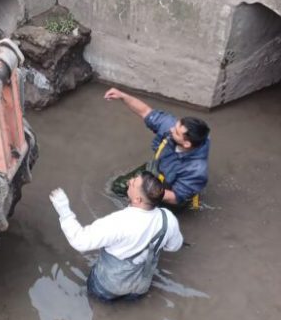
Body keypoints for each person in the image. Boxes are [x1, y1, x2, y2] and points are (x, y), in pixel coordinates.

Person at [49, 171, 183, 301]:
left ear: (138, 199)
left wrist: (64, 211)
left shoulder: (118, 222)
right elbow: (174, 246)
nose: (129, 181)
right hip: (140, 287)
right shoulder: (168, 219)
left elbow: (80, 241)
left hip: (107, 287)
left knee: (96, 303)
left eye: (133, 183)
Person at [104, 87, 210, 210]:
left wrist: (147, 192)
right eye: (175, 126)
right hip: (157, 169)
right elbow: (145, 111)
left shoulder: (196, 170)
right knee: (119, 186)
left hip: (172, 190)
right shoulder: (172, 128)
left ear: (186, 144)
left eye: (176, 132)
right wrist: (122, 96)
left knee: (155, 210)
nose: (171, 129)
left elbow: (177, 197)